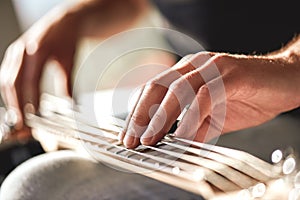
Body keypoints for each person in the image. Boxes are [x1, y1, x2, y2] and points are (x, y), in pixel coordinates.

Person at [0, 0, 300, 198]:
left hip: (282, 106)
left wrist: (290, 65)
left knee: (35, 189)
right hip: (187, 101)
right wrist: (76, 17)